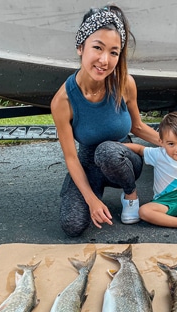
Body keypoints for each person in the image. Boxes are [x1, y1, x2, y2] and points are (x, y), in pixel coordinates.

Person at [51, 5, 161, 237]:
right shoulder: (62, 101)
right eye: (97, 48)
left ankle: (130, 195)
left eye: (113, 52)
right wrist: (91, 201)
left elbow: (137, 126)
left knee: (107, 151)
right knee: (72, 225)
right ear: (80, 47)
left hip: (124, 157)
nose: (104, 60)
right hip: (88, 162)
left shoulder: (125, 83)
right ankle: (90, 193)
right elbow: (71, 157)